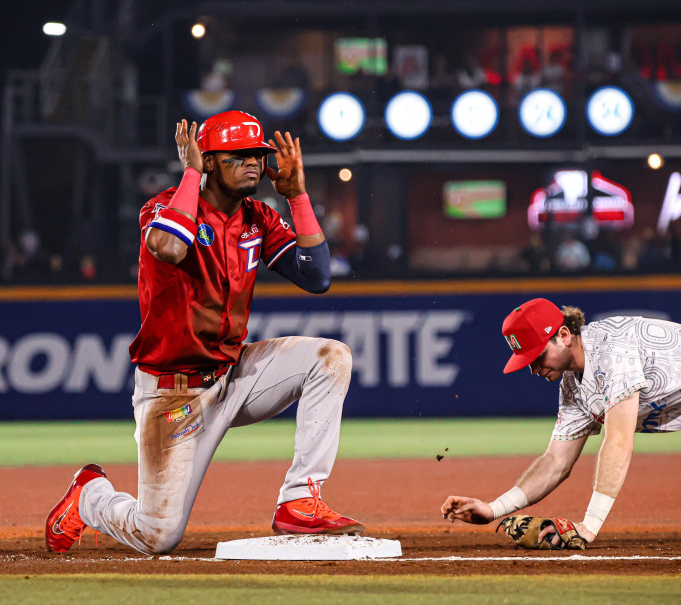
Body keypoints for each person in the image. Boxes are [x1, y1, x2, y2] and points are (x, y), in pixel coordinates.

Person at [45, 110, 364, 555]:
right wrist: (191, 174)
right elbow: (169, 247)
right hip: (173, 394)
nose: (254, 162)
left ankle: (299, 500)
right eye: (239, 155)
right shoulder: (163, 207)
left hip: (233, 376)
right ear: (209, 161)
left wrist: (297, 197)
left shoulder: (257, 216)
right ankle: (90, 496)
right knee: (158, 536)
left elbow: (317, 276)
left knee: (331, 358)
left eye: (258, 154)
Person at [441, 298, 681, 547]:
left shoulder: (610, 350)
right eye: (527, 361)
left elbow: (619, 442)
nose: (534, 368)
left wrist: (589, 526)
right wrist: (494, 509)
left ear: (564, 335)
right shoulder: (572, 384)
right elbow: (556, 462)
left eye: (538, 355)